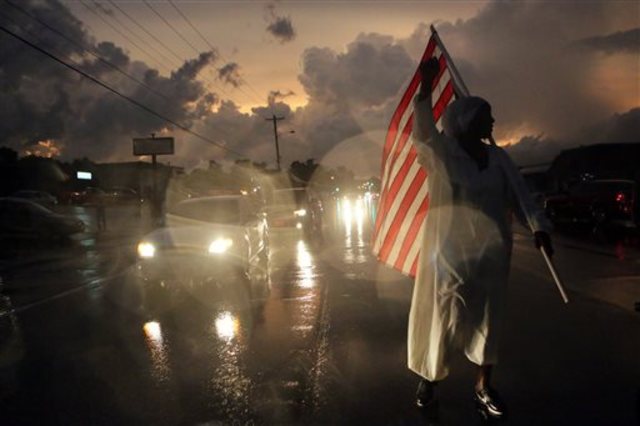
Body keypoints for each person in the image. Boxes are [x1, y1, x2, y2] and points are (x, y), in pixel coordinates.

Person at [407, 57, 553, 419]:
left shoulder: (499, 158)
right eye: (486, 117)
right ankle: (430, 379)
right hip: (450, 256)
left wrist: (539, 228)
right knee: (445, 319)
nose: (492, 123)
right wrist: (425, 87)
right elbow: (423, 131)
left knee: (489, 320)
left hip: (491, 255)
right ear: (468, 122)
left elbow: (522, 196)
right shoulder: (442, 154)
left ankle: (483, 387)